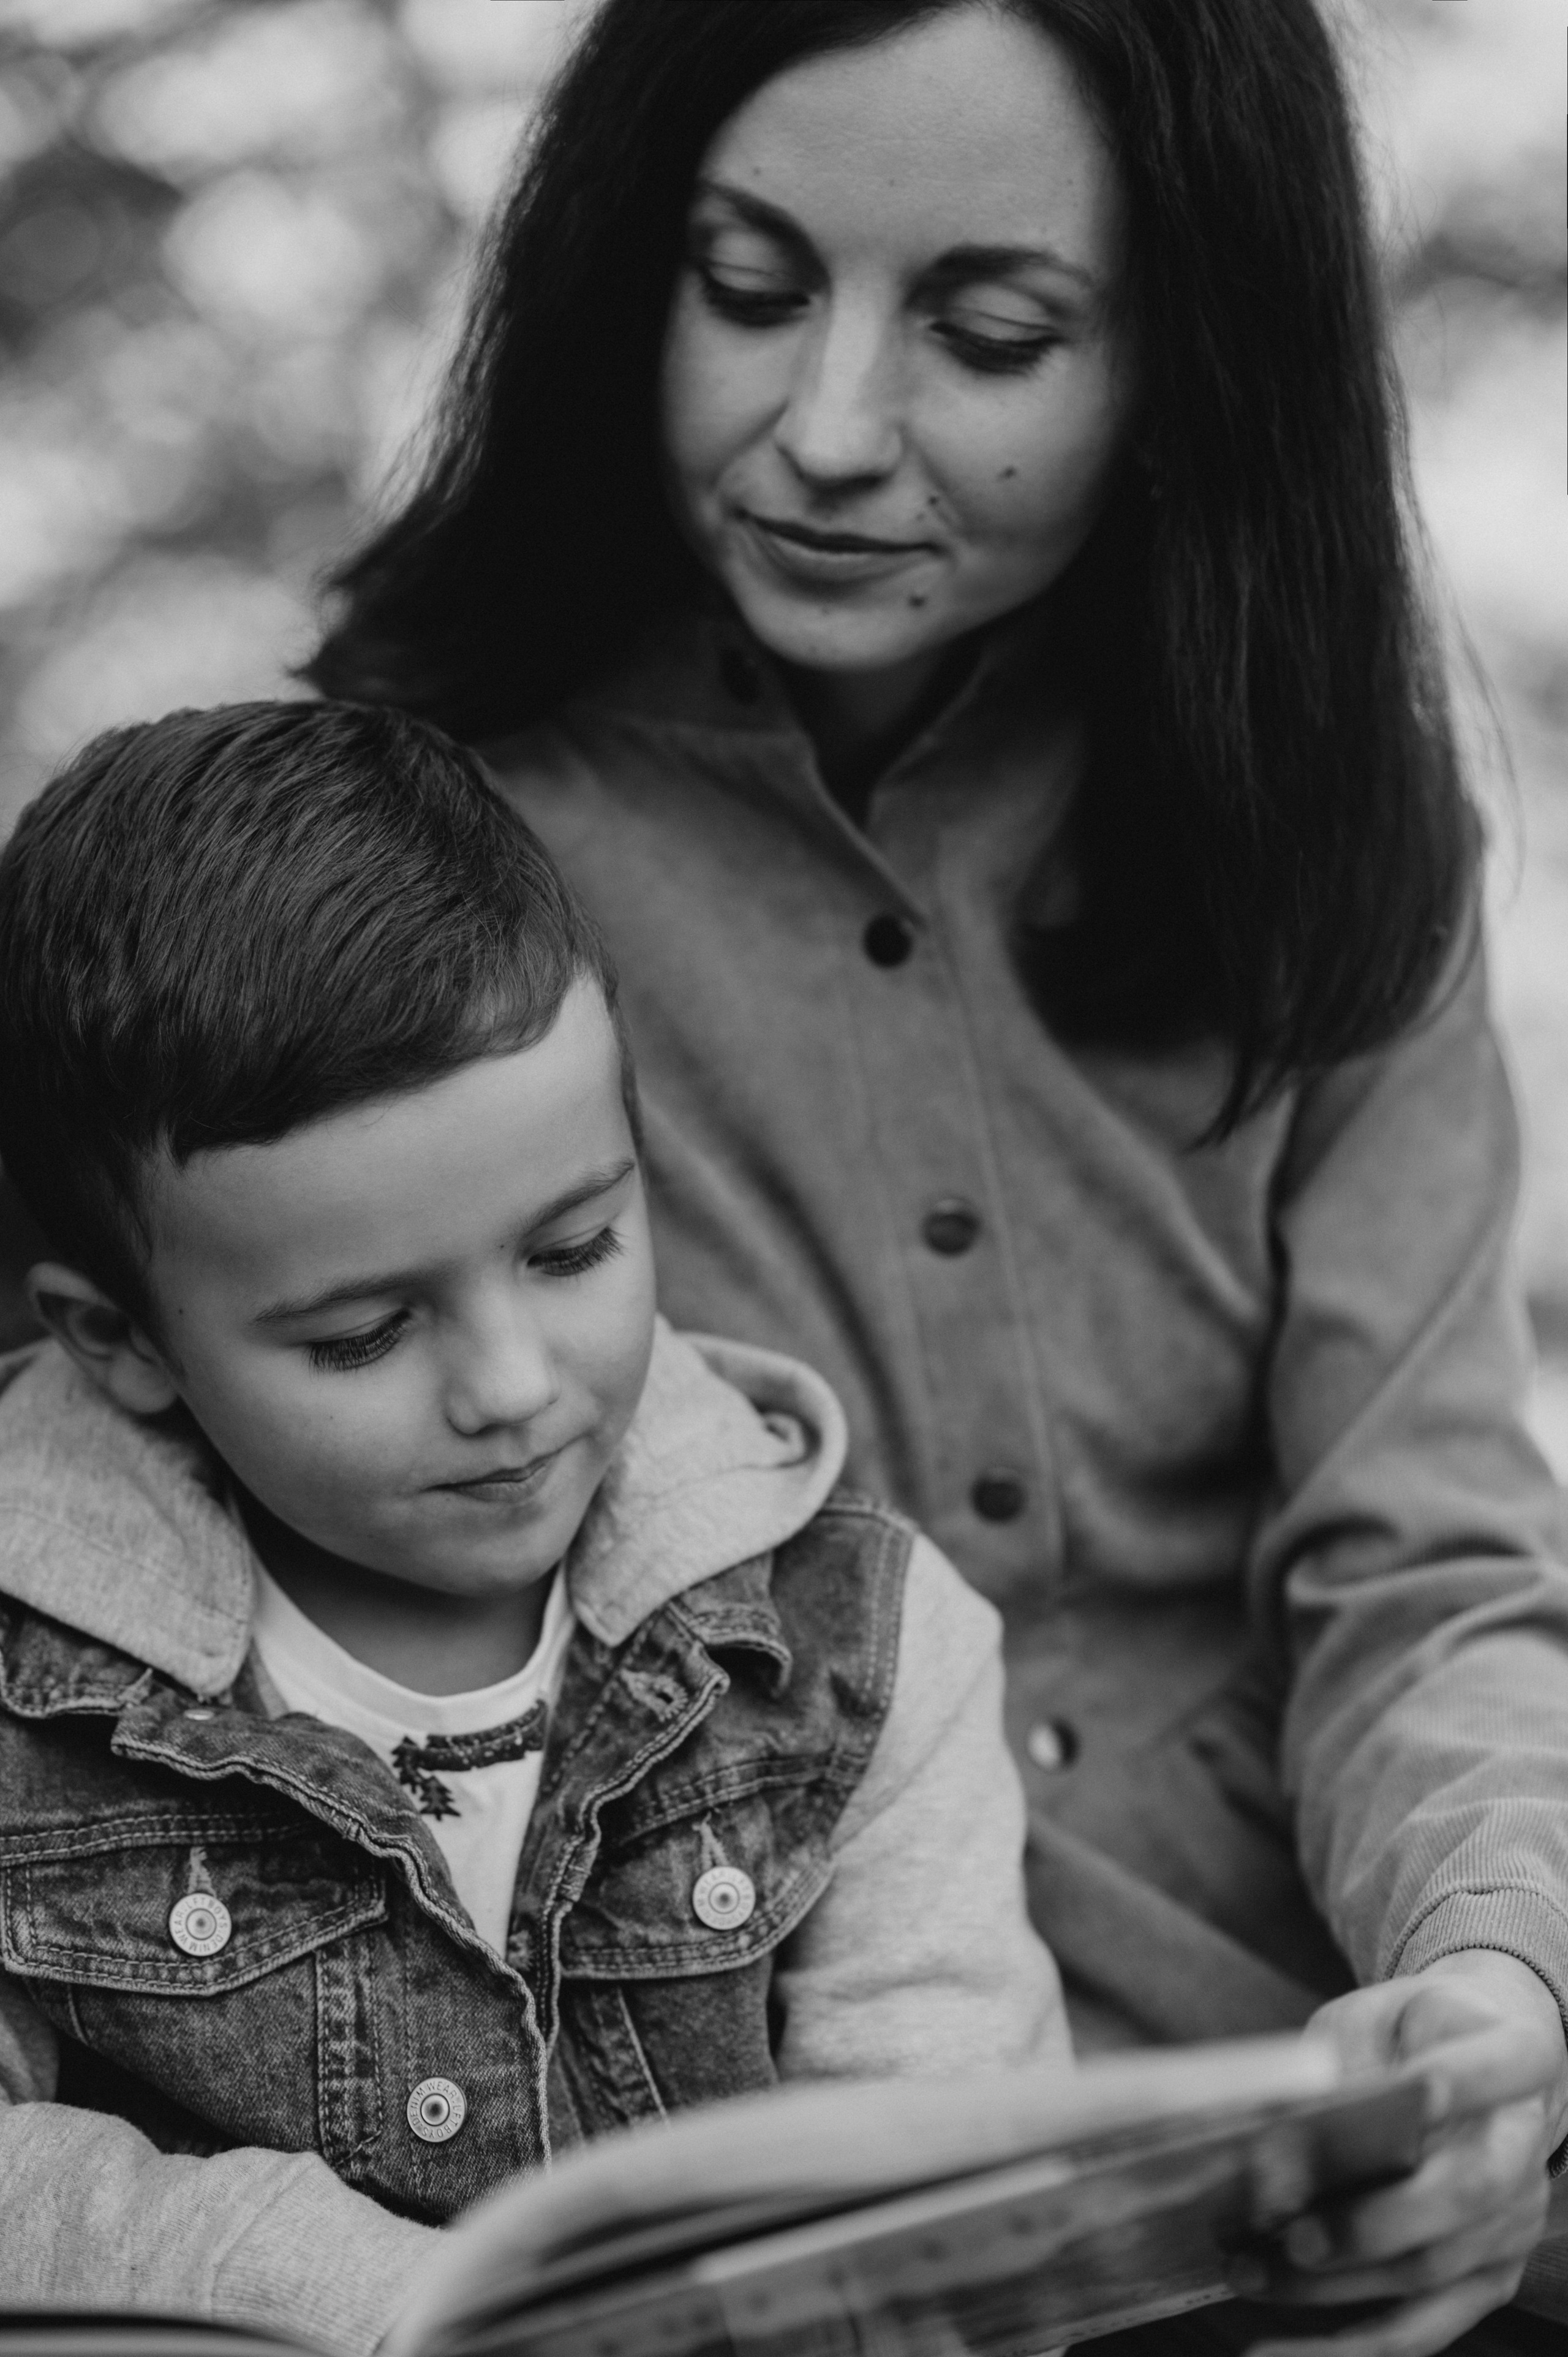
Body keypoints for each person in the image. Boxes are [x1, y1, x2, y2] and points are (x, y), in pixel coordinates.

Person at [304, 2, 1568, 2351]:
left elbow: (1427, 1567)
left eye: (990, 334)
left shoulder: (1333, 838)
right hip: (734, 2183)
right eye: (750, 287)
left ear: (1194, 359)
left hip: (1297, 2106)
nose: (829, 431)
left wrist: (1493, 2004)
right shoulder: (382, 857)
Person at [0, 699, 1065, 2353]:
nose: (509, 1387)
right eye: (360, 1336)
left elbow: (958, 2182)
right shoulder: (25, 1683)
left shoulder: (855, 1650)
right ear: (122, 1342)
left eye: (572, 1250)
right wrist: (367, 2295)